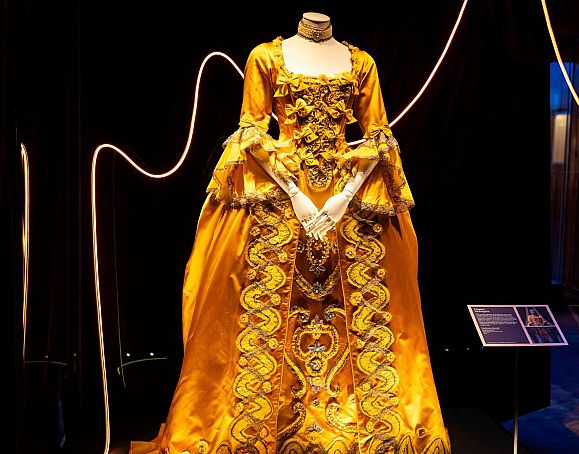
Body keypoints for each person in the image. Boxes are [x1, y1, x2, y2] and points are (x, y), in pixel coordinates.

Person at [131, 12, 450, 453]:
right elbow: (252, 133)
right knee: (253, 306)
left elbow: (378, 138)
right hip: (280, 195)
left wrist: (342, 199)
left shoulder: (362, 64)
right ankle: (264, 426)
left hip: (347, 201)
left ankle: (361, 424)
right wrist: (297, 195)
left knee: (371, 312)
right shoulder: (265, 57)